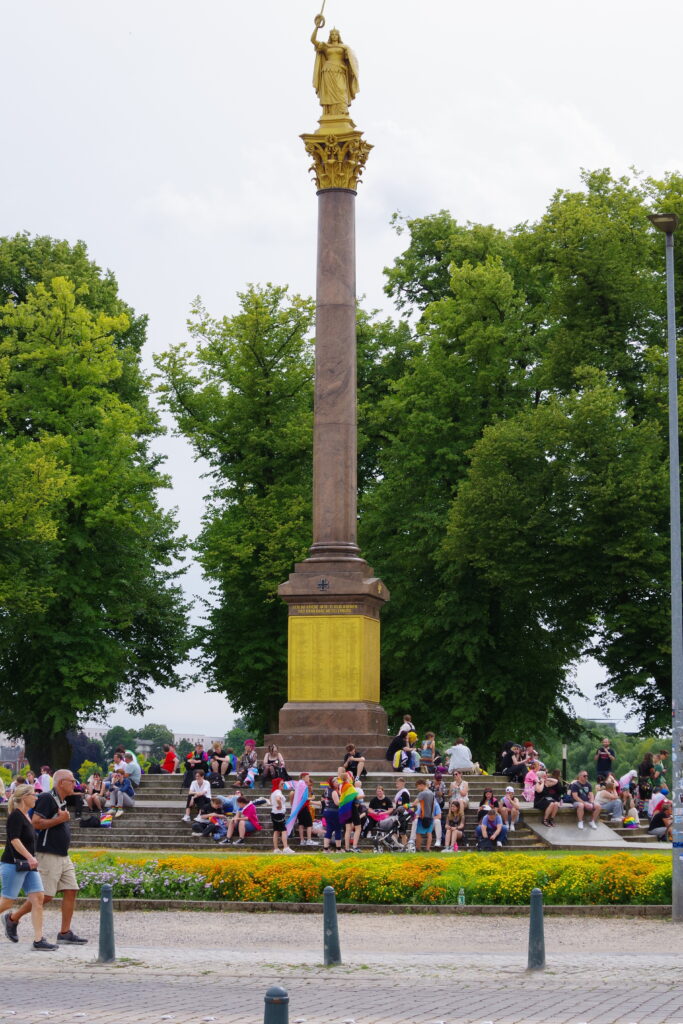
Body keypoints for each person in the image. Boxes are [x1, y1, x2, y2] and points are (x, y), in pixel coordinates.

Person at [8, 769, 87, 944]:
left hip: (62, 855)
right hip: (48, 853)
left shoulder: (61, 800)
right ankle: (13, 918)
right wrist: (60, 820)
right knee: (46, 896)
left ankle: (65, 933)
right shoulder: (46, 798)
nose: (75, 784)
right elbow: (36, 823)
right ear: (61, 783)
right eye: (72, 781)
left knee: (71, 890)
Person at [1, 783, 57, 950]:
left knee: (38, 898)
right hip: (13, 864)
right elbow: (14, 840)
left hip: (28, 865)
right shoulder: (15, 816)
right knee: (6, 903)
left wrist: (31, 860)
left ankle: (39, 940)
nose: (36, 797)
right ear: (24, 797)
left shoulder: (26, 816)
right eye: (33, 794)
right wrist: (29, 858)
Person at [310, 17, 359, 118]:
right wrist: (317, 27)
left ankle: (342, 112)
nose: (334, 36)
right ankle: (328, 113)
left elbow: (351, 59)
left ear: (338, 36)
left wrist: (352, 68)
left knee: (341, 90)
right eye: (332, 34)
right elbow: (313, 40)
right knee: (328, 92)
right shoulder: (326, 46)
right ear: (330, 36)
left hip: (340, 71)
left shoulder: (344, 47)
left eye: (336, 34)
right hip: (328, 71)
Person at [270, 779, 294, 854]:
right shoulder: (278, 792)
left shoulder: (273, 792)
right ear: (278, 784)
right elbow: (278, 799)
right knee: (284, 830)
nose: (283, 785)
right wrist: (280, 805)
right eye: (282, 784)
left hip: (274, 813)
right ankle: (285, 847)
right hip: (279, 814)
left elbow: (271, 801)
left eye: (283, 784)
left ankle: (276, 848)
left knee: (276, 831)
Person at [296, 772, 319, 847]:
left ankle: (302, 840)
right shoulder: (303, 785)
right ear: (303, 777)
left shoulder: (299, 784)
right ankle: (309, 840)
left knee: (301, 824)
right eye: (307, 777)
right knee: (309, 823)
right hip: (304, 807)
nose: (308, 778)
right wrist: (311, 798)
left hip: (299, 807)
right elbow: (304, 798)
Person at [412, 778, 435, 852]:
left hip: (423, 816)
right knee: (429, 833)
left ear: (422, 785)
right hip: (431, 816)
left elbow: (414, 803)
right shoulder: (431, 793)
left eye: (418, 786)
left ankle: (418, 848)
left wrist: (408, 805)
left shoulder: (422, 793)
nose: (417, 788)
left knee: (418, 833)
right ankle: (428, 849)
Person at [322, 777, 342, 853]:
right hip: (334, 812)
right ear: (332, 783)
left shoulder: (326, 790)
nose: (338, 783)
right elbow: (337, 803)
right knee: (338, 829)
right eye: (336, 782)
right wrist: (344, 801)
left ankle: (325, 849)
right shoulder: (333, 792)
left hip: (327, 811)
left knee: (329, 830)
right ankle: (338, 849)